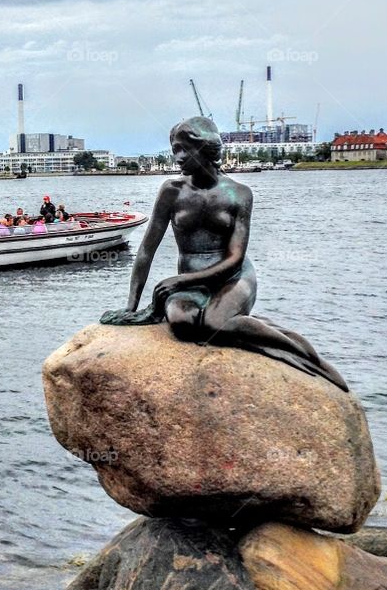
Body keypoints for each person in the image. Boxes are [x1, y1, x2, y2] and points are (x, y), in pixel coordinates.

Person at [100, 116, 347, 390]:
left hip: (233, 277)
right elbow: (146, 250)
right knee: (182, 324)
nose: (178, 158)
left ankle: (299, 351)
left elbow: (235, 259)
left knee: (215, 324)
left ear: (205, 148)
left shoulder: (239, 193)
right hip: (193, 282)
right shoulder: (171, 192)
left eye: (185, 149)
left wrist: (178, 282)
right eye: (175, 151)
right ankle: (250, 327)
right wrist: (131, 307)